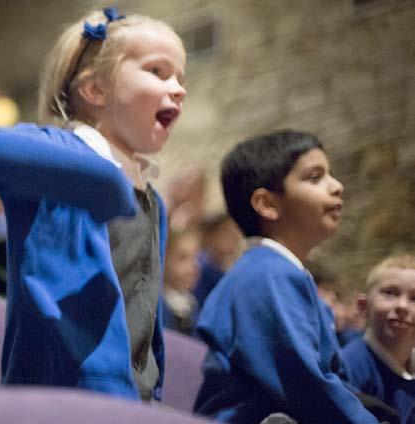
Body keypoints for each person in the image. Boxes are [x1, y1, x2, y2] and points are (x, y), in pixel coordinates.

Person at [0, 7, 186, 402]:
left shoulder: (153, 200)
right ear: (95, 90)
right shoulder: (60, 155)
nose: (179, 89)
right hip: (61, 396)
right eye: (158, 71)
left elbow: (143, 316)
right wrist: (105, 181)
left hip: (133, 401)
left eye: (180, 79)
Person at [193, 130, 378, 423]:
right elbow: (306, 385)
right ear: (267, 204)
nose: (337, 186)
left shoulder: (278, 270)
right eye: (315, 177)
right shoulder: (266, 275)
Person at [342, 253, 415, 423]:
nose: (402, 306)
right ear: (363, 306)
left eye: (414, 298)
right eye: (390, 293)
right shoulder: (349, 368)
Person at [193, 213, 242, 310]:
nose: (234, 238)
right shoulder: (200, 266)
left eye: (235, 232)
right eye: (226, 232)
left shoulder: (225, 267)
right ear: (210, 234)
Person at [162, 229, 201, 336]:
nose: (194, 267)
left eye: (196, 257)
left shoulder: (192, 305)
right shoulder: (159, 308)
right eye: (183, 258)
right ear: (163, 259)